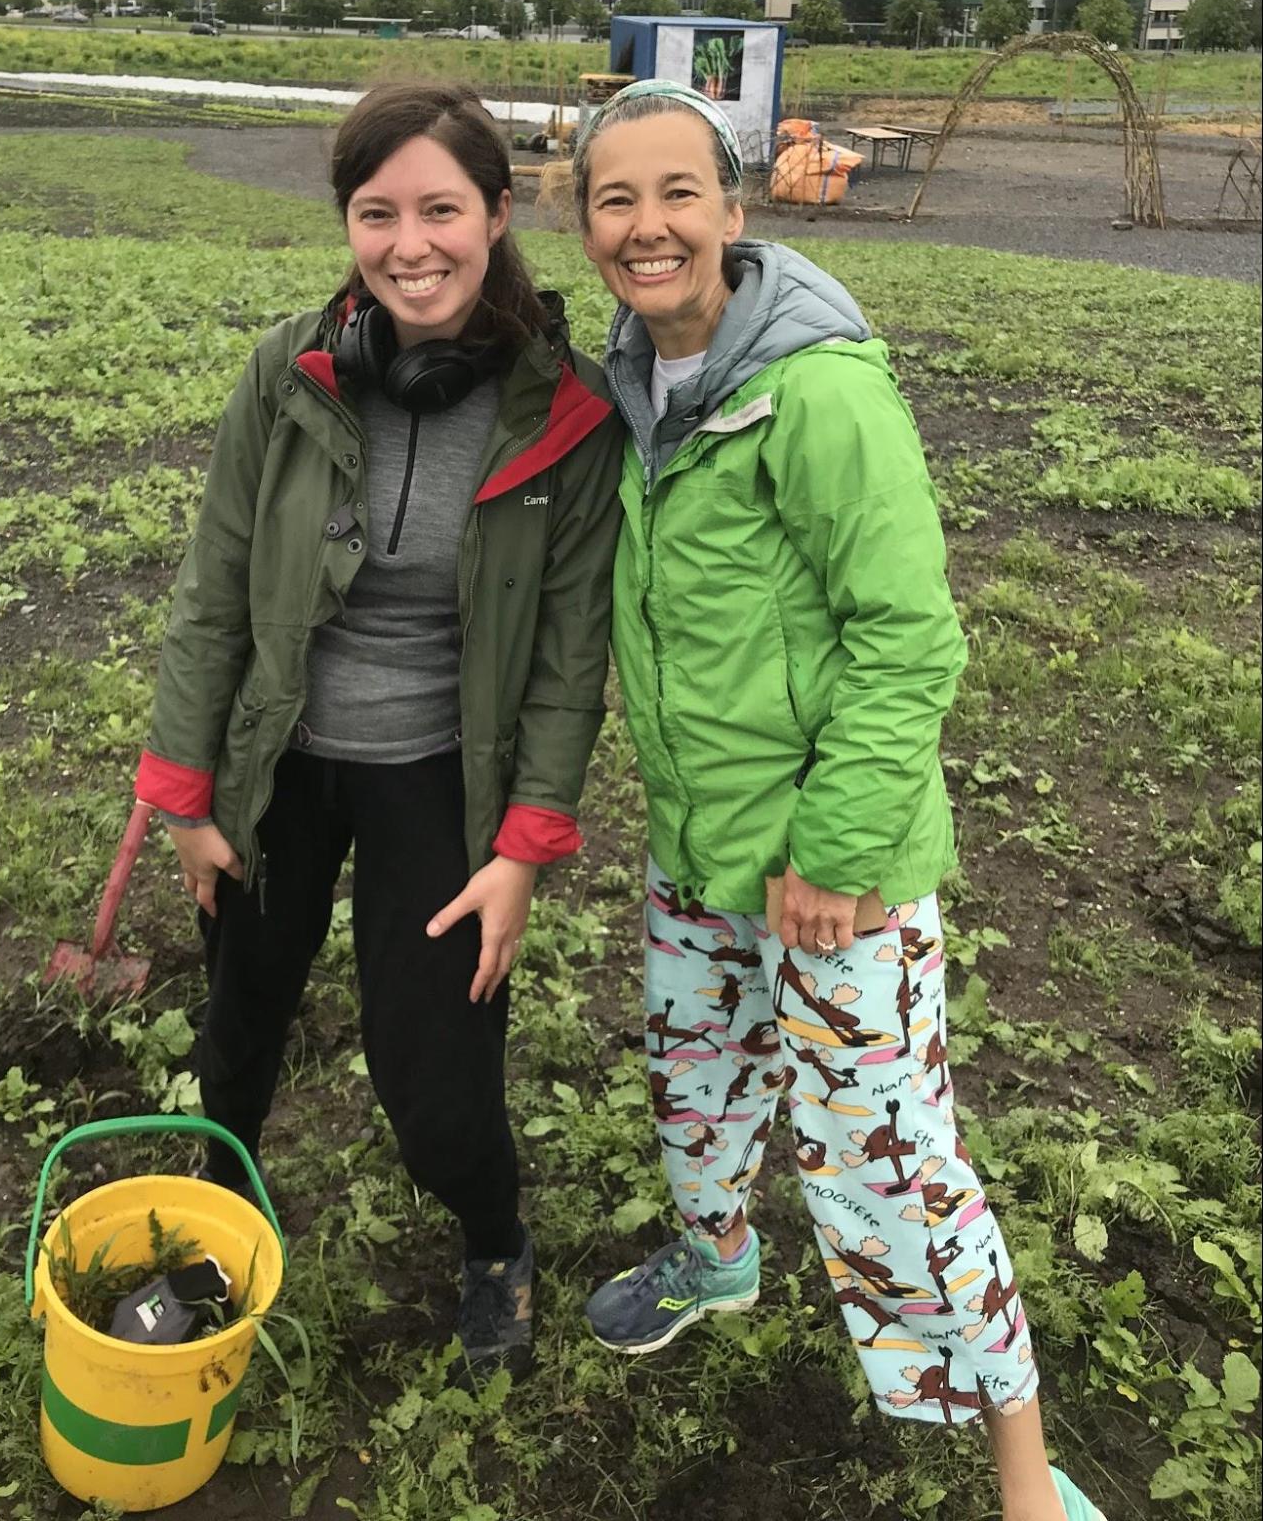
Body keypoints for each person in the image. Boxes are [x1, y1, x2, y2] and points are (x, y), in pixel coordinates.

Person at [571, 79, 1107, 1521]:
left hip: (833, 877)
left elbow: (910, 635)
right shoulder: (633, 381)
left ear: (734, 212)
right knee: (698, 1089)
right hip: (698, 852)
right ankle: (717, 1255)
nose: (648, 225)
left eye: (677, 192)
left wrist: (836, 850)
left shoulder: (816, 387)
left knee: (893, 1161)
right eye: (614, 200)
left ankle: (1021, 1473)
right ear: (586, 229)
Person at [135, 83, 623, 1376]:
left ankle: (496, 1241)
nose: (411, 244)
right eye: (377, 212)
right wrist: (186, 796)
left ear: (501, 213)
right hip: (279, 763)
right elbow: (212, 587)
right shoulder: (289, 374)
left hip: (439, 787)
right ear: (347, 222)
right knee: (237, 1030)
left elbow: (574, 662)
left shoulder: (565, 413)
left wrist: (522, 850)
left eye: (441, 210)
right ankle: (224, 1208)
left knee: (434, 1080)